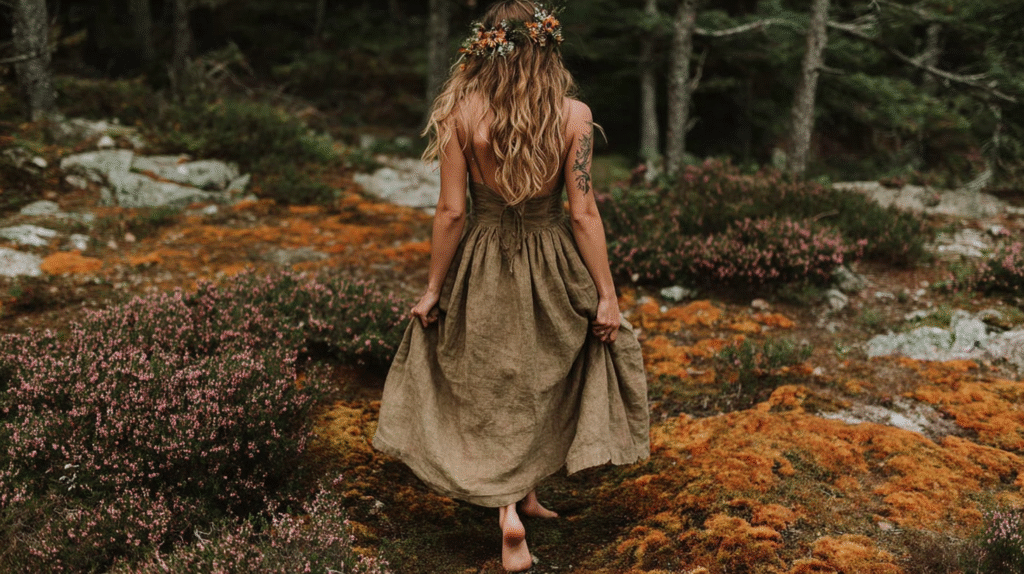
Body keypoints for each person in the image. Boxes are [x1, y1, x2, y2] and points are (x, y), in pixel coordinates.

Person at [372, 2, 649, 571]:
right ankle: (508, 513)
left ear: (485, 48)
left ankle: (519, 500)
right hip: (553, 258)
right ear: (548, 49)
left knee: (491, 375)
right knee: (542, 370)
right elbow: (583, 214)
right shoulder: (574, 115)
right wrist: (606, 294)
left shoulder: (460, 112)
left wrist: (433, 288)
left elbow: (451, 212)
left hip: (484, 256)